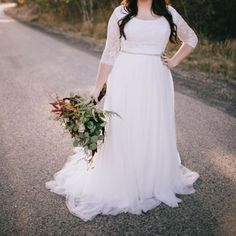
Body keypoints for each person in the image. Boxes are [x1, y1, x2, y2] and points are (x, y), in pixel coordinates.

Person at [45, 0, 200, 221]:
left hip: (157, 79)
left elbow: (191, 38)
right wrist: (97, 89)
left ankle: (151, 179)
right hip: (125, 77)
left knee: (152, 127)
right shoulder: (121, 12)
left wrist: (173, 62)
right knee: (124, 126)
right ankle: (124, 179)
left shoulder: (168, 13)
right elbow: (109, 52)